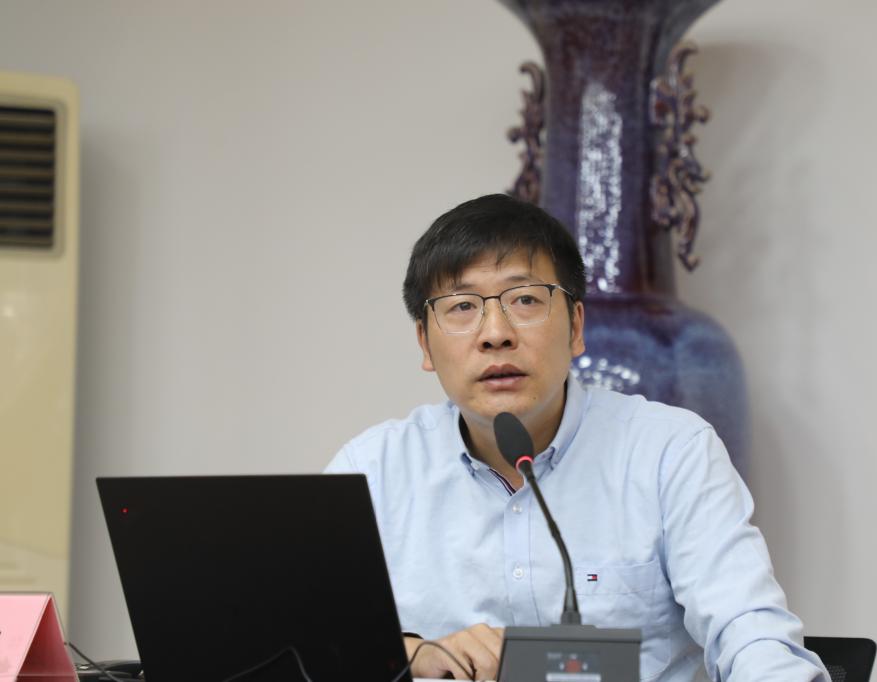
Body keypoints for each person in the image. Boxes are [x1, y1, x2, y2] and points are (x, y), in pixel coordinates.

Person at [325, 194, 828, 681]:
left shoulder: (670, 453)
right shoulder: (372, 471)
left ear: (575, 328)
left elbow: (750, 632)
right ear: (424, 342)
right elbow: (307, 646)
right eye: (461, 306)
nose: (495, 333)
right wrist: (411, 654)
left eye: (525, 299)